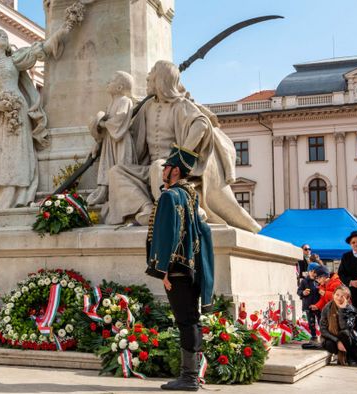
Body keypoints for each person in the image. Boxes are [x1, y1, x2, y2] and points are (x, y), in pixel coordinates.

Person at [104, 60, 260, 233]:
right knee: (116, 172)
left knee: (159, 167)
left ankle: (174, 212)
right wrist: (103, 126)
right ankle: (147, 208)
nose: (147, 78)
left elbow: (201, 123)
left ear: (161, 80)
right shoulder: (147, 107)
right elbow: (130, 133)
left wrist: (179, 158)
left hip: (177, 170)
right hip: (150, 169)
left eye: (151, 76)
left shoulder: (180, 105)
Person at [0, 22, 78, 209]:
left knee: (18, 152)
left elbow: (40, 49)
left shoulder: (15, 60)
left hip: (18, 111)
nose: (3, 35)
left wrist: (61, 30)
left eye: (4, 34)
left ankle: (16, 195)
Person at [145, 146, 214, 391]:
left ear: (175, 171)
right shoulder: (189, 195)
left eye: (166, 167)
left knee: (186, 321)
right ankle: (191, 375)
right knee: (191, 320)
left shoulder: (171, 196)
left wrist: (163, 269)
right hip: (191, 267)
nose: (163, 170)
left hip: (176, 271)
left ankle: (189, 378)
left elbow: (168, 234)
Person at [86, 71, 135, 206]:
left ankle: (123, 197)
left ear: (119, 87)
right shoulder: (111, 103)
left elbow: (120, 119)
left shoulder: (125, 101)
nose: (107, 83)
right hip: (109, 140)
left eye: (111, 81)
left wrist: (102, 123)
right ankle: (105, 193)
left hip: (120, 141)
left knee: (121, 167)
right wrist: (98, 140)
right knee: (107, 166)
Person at [319, 286, 357, 367]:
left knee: (344, 333)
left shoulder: (350, 310)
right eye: (337, 295)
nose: (338, 298)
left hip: (347, 339)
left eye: (342, 296)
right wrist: (337, 341)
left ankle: (349, 357)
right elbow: (323, 330)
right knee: (330, 345)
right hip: (331, 337)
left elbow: (345, 328)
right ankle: (343, 354)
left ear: (347, 298)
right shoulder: (327, 307)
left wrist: (342, 310)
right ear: (333, 294)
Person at [299, 262, 321, 348]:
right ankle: (313, 337)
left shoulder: (318, 281)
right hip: (308, 305)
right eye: (312, 271)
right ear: (309, 271)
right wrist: (303, 293)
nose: (314, 273)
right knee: (311, 322)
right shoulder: (304, 281)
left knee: (321, 321)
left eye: (315, 272)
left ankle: (323, 336)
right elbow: (299, 291)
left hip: (318, 306)